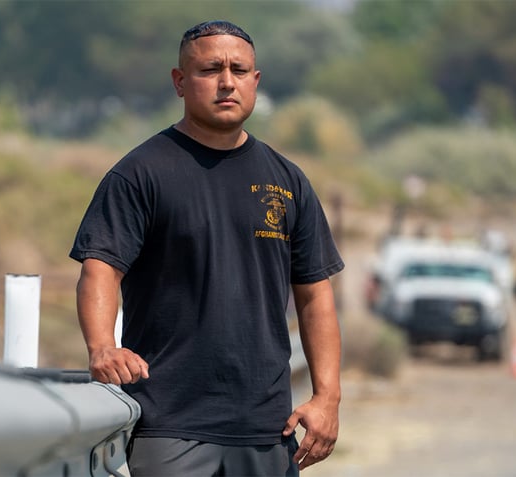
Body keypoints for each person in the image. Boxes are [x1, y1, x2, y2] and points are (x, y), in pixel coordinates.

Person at [70, 20, 344, 477]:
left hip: (268, 430)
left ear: (255, 81)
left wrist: (327, 397)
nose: (226, 82)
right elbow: (100, 269)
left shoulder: (288, 181)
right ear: (180, 82)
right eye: (210, 69)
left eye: (239, 70)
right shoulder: (140, 173)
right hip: (169, 424)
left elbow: (315, 295)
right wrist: (101, 347)